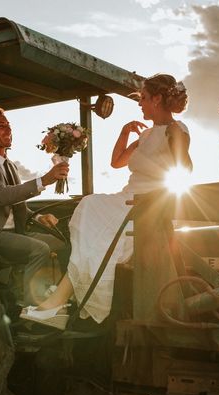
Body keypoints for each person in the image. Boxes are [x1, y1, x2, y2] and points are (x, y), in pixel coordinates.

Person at [21, 74, 192, 329]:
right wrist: (124, 132)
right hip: (128, 197)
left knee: (91, 212)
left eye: (143, 98)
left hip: (145, 203)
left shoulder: (175, 131)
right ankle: (58, 304)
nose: (140, 104)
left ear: (157, 99)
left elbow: (185, 168)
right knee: (89, 215)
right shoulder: (146, 136)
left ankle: (57, 304)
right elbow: (118, 161)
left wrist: (162, 191)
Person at [0, 106, 69, 305]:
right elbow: (2, 196)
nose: (8, 130)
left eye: (8, 125)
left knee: (63, 244)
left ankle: (55, 294)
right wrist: (45, 180)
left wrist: (39, 217)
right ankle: (33, 309)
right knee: (40, 249)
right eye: (1, 126)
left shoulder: (10, 165)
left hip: (16, 232)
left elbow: (17, 204)